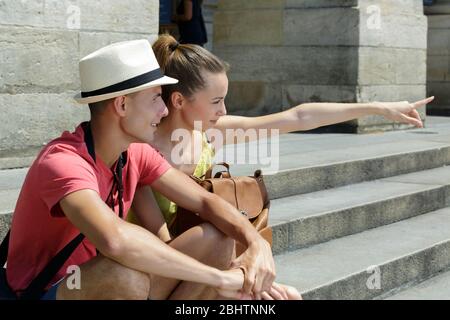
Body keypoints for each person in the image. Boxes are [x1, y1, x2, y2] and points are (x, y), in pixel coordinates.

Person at [127, 34, 434, 276]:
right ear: (179, 100)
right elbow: (160, 241)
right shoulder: (143, 148)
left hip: (202, 254)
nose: (224, 111)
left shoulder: (209, 133)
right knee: (224, 246)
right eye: (217, 101)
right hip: (156, 261)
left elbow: (298, 117)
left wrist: (378, 108)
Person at [1, 39, 282, 300]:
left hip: (110, 279)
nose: (163, 110)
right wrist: (219, 278)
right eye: (156, 98)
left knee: (218, 237)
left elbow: (206, 202)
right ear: (122, 104)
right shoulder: (63, 161)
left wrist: (256, 243)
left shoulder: (133, 152)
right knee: (124, 277)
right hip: (50, 290)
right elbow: (116, 240)